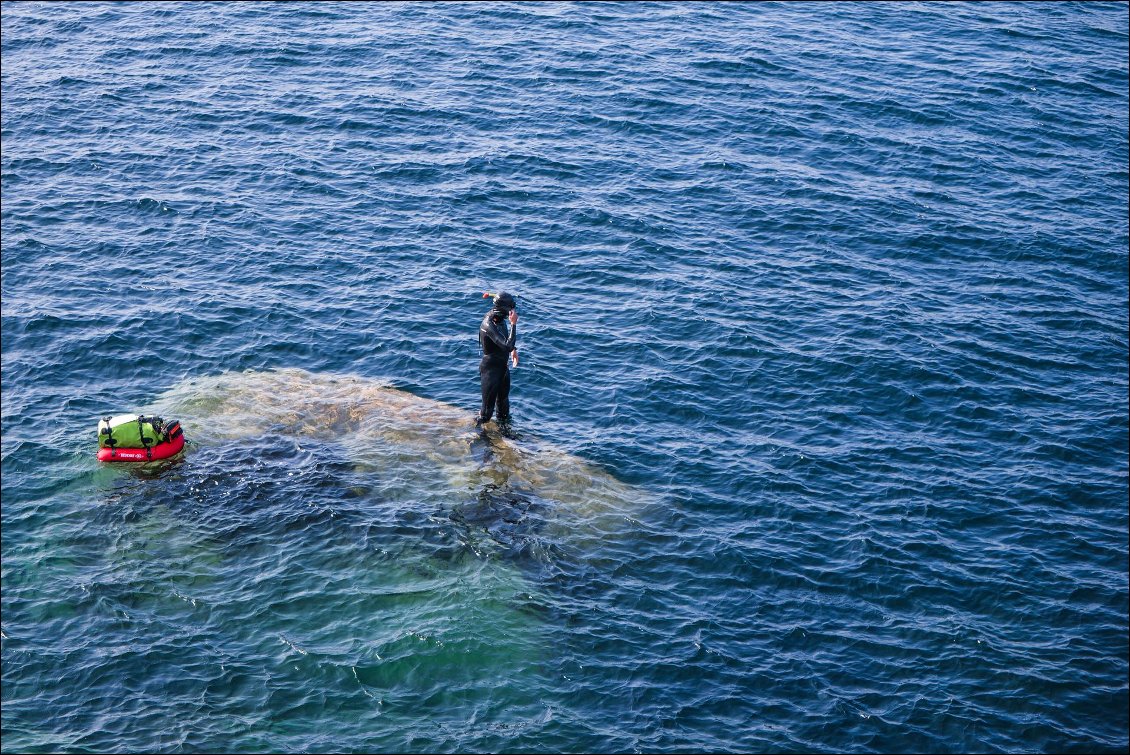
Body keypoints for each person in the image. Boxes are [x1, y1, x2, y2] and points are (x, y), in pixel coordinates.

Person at [476, 291, 518, 427]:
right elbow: (507, 345)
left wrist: (514, 350)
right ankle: (479, 438)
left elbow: (506, 342)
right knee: (486, 413)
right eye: (510, 309)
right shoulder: (488, 325)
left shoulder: (499, 319)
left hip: (503, 368)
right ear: (502, 308)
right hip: (491, 371)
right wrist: (513, 324)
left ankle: (505, 432)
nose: (512, 312)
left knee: (503, 407)